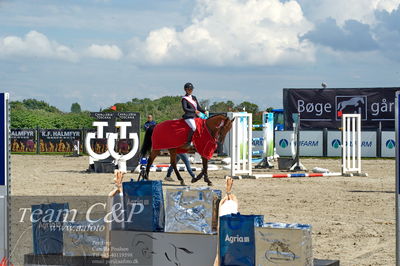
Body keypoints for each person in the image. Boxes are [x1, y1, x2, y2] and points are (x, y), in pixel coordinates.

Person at [181, 82, 206, 149]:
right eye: (189, 89)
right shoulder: (184, 99)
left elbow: (198, 107)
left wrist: (204, 111)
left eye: (191, 89)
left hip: (195, 116)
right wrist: (194, 111)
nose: (190, 91)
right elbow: (185, 109)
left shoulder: (194, 97)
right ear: (186, 90)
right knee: (194, 127)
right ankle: (189, 142)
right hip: (188, 116)